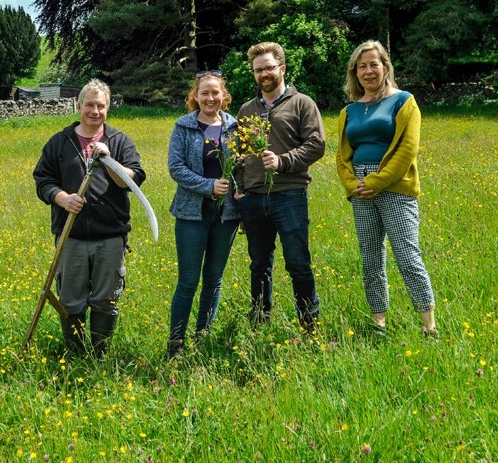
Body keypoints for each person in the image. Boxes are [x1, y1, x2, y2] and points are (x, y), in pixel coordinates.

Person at [33, 78, 146, 357]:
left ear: (108, 108)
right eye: (90, 105)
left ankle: (99, 354)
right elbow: (43, 180)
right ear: (79, 106)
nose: (95, 111)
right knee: (71, 300)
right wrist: (62, 198)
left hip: (110, 236)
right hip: (70, 235)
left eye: (101, 106)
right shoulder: (60, 142)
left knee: (106, 299)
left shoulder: (119, 141)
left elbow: (133, 179)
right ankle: (76, 355)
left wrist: (110, 160)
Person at [336, 40, 437, 337]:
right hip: (361, 189)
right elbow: (342, 156)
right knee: (370, 260)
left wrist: (377, 181)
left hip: (394, 186)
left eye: (373, 64)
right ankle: (379, 323)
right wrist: (354, 185)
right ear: (355, 72)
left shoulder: (404, 101)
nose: (368, 71)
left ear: (385, 67)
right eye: (362, 66)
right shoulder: (349, 111)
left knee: (408, 257)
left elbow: (408, 149)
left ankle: (428, 326)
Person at [235, 42, 325, 329]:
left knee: (298, 263)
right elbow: (237, 154)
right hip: (253, 199)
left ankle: (309, 325)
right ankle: (260, 322)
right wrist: (240, 191)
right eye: (258, 70)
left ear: (282, 68)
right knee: (259, 265)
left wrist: (283, 161)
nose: (264, 74)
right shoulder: (247, 109)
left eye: (269, 68)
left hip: (289, 195)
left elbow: (316, 145)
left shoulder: (302, 103)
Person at [167, 70, 240, 357]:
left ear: (224, 96)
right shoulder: (183, 126)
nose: (210, 98)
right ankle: (176, 342)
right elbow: (176, 168)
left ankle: (202, 337)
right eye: (204, 93)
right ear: (195, 96)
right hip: (191, 214)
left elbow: (243, 166)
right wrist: (208, 186)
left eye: (215, 92)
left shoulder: (235, 126)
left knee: (214, 278)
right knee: (188, 281)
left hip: (227, 215)